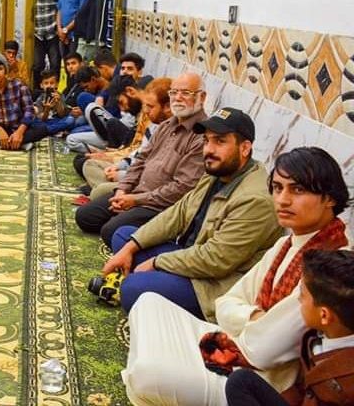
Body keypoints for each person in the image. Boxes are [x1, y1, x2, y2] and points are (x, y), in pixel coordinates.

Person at [122, 147, 352, 405]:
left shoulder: (331, 266)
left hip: (261, 382)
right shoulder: (287, 243)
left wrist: (245, 321)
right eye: (277, 188)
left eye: (297, 190)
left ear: (329, 198)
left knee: (147, 374)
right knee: (147, 302)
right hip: (237, 342)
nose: (282, 200)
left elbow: (262, 351)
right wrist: (255, 316)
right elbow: (225, 303)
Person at [100, 107, 283, 319]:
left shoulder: (255, 199)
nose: (209, 149)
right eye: (206, 141)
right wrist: (131, 247)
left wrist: (157, 262)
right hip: (190, 254)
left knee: (133, 288)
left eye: (220, 141)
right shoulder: (217, 171)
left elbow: (215, 260)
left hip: (213, 284)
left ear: (244, 148)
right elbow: (177, 214)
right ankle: (150, 282)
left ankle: (144, 284)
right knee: (124, 236)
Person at [75, 73, 208, 246]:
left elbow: (182, 188)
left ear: (201, 97)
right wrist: (123, 190)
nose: (178, 98)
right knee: (84, 216)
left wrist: (136, 200)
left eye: (185, 93)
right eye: (174, 92)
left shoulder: (201, 136)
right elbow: (140, 160)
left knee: (110, 232)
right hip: (136, 192)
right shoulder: (166, 126)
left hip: (160, 206)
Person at [225, 249, 354, 406]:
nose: (298, 299)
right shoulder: (315, 336)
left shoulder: (347, 386)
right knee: (241, 381)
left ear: (324, 315)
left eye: (302, 295)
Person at [0, 54, 47, 150]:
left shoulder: (19, 85)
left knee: (42, 128)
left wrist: (19, 132)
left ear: (5, 71)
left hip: (17, 128)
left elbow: (29, 110)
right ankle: (20, 144)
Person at [32, 0, 61, 88]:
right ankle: (38, 89)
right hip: (37, 34)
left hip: (52, 33)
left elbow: (61, 10)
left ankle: (55, 90)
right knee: (37, 65)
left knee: (55, 64)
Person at [31, 71, 76, 136]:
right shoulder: (40, 98)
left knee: (70, 119)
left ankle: (47, 131)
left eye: (52, 83)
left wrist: (58, 102)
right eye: (46, 83)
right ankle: (54, 130)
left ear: (57, 84)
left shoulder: (60, 96)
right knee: (34, 122)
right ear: (41, 85)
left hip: (57, 120)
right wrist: (47, 109)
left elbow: (62, 115)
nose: (49, 85)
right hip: (45, 122)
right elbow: (42, 119)